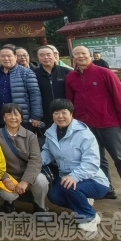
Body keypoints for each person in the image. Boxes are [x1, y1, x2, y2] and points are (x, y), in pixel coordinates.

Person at [66, 45, 121, 210]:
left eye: (83, 53)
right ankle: (107, 188)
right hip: (86, 126)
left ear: (90, 55)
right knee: (97, 159)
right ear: (73, 58)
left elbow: (119, 97)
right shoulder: (71, 77)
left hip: (109, 124)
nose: (80, 56)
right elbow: (70, 102)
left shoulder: (105, 73)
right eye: (76, 54)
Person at [42, 99, 111, 231]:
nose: (60, 116)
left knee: (69, 187)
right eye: (56, 113)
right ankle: (84, 204)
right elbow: (48, 152)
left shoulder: (84, 133)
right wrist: (37, 161)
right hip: (67, 178)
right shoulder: (51, 133)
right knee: (54, 196)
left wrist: (74, 176)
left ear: (71, 113)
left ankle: (90, 217)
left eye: (64, 112)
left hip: (93, 180)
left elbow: (91, 162)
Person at [0, 104, 49, 218]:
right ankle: (9, 202)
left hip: (27, 175)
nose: (13, 117)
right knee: (8, 195)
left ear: (21, 118)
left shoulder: (30, 136)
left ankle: (39, 206)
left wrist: (25, 181)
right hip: (8, 176)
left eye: (16, 114)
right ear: (4, 118)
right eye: (9, 114)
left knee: (42, 180)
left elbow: (35, 160)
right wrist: (5, 178)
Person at [0, 46, 43, 131]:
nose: (6, 58)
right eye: (3, 56)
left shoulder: (26, 73)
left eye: (9, 56)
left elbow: (35, 95)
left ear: (15, 57)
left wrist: (36, 116)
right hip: (1, 118)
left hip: (21, 118)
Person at [33, 46, 72, 129]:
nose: (45, 57)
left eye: (48, 54)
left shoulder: (67, 72)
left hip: (65, 114)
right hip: (44, 116)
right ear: (38, 57)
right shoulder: (33, 74)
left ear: (54, 55)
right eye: (42, 55)